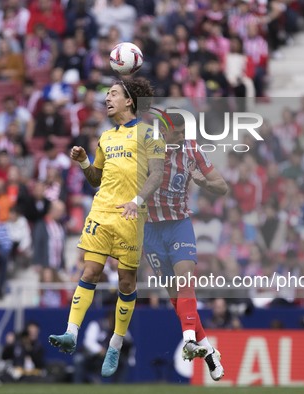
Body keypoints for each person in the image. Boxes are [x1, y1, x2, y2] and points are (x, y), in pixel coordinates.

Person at [48, 77, 165, 378]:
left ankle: (115, 343)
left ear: (129, 101)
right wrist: (85, 162)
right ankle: (71, 333)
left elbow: (157, 175)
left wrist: (137, 200)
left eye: (113, 94)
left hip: (131, 215)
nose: (107, 98)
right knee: (90, 271)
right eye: (107, 94)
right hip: (101, 211)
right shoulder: (105, 138)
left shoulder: (148, 133)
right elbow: (96, 179)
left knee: (126, 282)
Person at [143, 110, 228, 381]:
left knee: (185, 282)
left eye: (183, 133)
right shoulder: (147, 148)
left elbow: (222, 186)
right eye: (176, 133)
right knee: (176, 299)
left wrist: (204, 182)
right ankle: (209, 350)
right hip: (151, 229)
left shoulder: (192, 149)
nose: (180, 138)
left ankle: (189, 339)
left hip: (179, 224)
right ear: (163, 131)